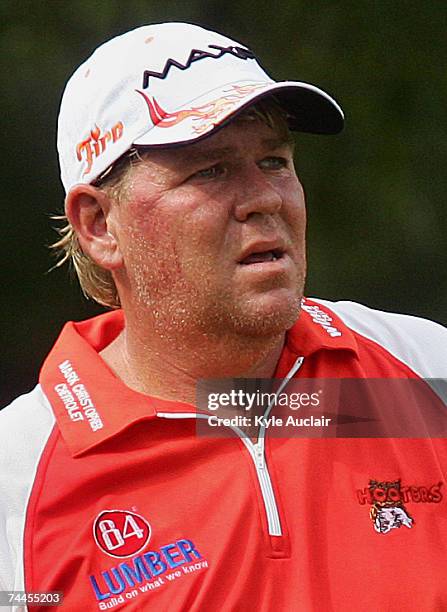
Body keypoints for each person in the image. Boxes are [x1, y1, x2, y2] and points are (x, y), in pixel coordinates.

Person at [1, 21, 446, 612]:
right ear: (100, 225)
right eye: (209, 170)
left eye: (275, 161)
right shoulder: (18, 480)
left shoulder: (424, 371)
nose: (264, 198)